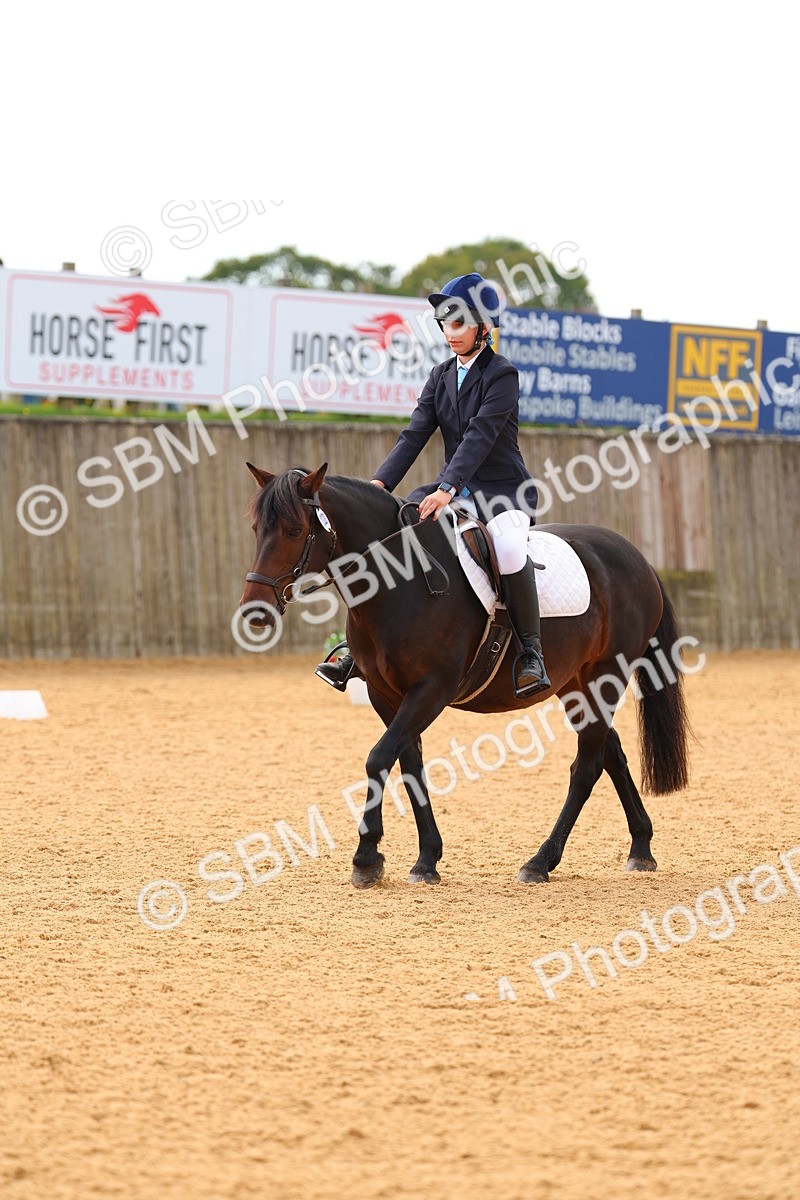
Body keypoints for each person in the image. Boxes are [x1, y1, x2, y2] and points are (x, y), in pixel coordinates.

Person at [316, 272, 551, 698]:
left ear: (483, 327)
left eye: (459, 323)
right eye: (445, 323)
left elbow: (480, 436)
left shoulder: (503, 375)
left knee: (511, 548)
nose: (450, 332)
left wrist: (447, 487)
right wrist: (379, 484)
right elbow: (414, 434)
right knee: (392, 526)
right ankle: (359, 649)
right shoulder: (440, 376)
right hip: (452, 486)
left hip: (502, 492)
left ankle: (530, 652)